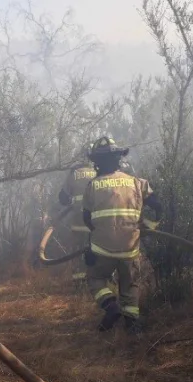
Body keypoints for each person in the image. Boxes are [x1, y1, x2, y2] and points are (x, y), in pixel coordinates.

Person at [81, 136, 162, 332]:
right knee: (130, 284)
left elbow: (86, 219)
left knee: (95, 278)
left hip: (102, 248)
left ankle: (110, 306)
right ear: (118, 159)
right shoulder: (137, 183)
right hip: (130, 248)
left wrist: (94, 242)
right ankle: (132, 324)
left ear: (97, 162)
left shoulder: (93, 185)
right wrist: (150, 227)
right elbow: (158, 206)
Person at [56, 151, 98, 287]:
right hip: (96, 223)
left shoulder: (73, 173)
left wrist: (71, 201)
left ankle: (78, 283)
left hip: (78, 222)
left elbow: (62, 197)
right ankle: (97, 281)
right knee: (98, 250)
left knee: (77, 251)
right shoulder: (99, 171)